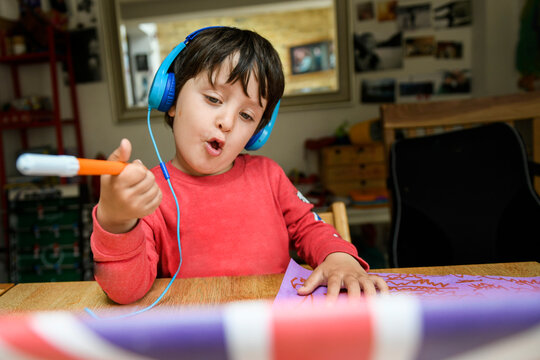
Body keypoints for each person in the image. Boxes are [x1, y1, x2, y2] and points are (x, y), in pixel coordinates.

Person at [91, 27, 388, 305]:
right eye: (213, 98)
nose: (228, 122)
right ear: (169, 97)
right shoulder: (151, 195)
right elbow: (125, 292)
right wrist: (116, 222)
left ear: (258, 132)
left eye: (247, 116)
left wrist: (338, 257)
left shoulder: (269, 176)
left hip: (275, 327)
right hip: (201, 334)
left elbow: (310, 227)